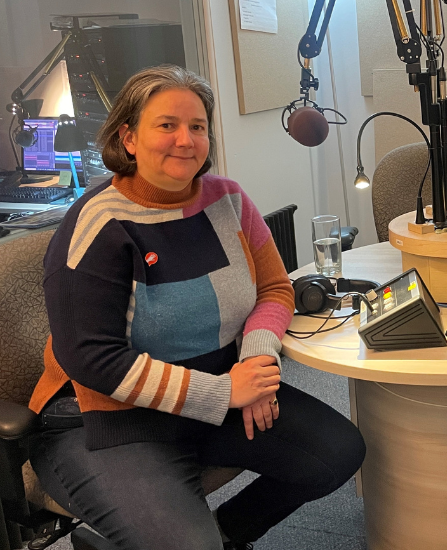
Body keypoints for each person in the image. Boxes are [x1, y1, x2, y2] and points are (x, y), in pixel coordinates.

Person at [27, 65, 365, 550]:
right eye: (167, 125)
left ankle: (228, 535)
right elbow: (92, 360)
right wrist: (223, 393)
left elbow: (274, 289)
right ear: (128, 137)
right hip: (105, 419)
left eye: (198, 126)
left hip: (218, 393)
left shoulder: (227, 201)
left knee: (337, 452)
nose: (185, 140)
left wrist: (256, 363)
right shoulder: (99, 225)